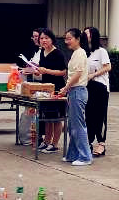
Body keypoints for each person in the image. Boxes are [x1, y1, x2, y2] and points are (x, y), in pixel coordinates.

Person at [27, 28, 67, 153]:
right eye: (41, 38)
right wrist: (38, 71)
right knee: (47, 116)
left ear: (52, 39)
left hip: (57, 89)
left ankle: (54, 144)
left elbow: (63, 72)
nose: (43, 40)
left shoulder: (58, 53)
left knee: (56, 118)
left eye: (46, 38)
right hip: (45, 88)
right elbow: (42, 70)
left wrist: (46, 71)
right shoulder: (42, 52)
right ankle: (46, 141)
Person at [57, 28, 92, 166]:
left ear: (77, 39)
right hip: (74, 91)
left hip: (77, 91)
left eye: (69, 38)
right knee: (72, 125)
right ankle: (73, 154)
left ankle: (85, 157)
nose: (67, 41)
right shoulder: (76, 53)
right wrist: (67, 88)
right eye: (66, 39)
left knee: (78, 125)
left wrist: (66, 88)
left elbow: (77, 75)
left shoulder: (80, 53)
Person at [84, 26, 111, 157]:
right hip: (88, 87)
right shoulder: (84, 52)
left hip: (100, 87)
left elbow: (108, 67)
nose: (84, 36)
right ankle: (88, 142)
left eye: (87, 34)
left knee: (100, 115)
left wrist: (93, 75)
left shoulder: (101, 51)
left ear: (93, 36)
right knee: (89, 115)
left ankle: (101, 144)